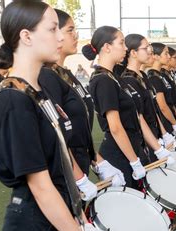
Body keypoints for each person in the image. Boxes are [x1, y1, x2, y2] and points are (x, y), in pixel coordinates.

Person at [0, 2, 108, 231]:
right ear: (26, 36)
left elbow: (62, 170)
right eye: (52, 29)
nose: (60, 37)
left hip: (57, 222)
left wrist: (82, 224)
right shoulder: (13, 99)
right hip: (35, 229)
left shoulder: (37, 92)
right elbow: (41, 185)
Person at [39, 9, 126, 191]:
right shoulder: (46, 77)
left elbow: (81, 129)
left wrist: (97, 161)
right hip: (64, 172)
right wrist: (78, 177)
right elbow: (57, 136)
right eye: (70, 30)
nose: (75, 35)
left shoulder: (66, 75)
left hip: (79, 163)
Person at [83, 26, 148, 189]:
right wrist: (134, 161)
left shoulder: (113, 77)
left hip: (129, 148)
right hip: (119, 153)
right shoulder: (103, 80)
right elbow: (116, 127)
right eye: (121, 43)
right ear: (107, 47)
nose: (125, 48)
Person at [120, 34, 175, 163]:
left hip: (154, 134)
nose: (150, 52)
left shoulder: (142, 75)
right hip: (145, 139)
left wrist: (163, 134)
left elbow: (154, 110)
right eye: (146, 48)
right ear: (133, 53)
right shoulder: (128, 80)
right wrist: (156, 146)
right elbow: (139, 117)